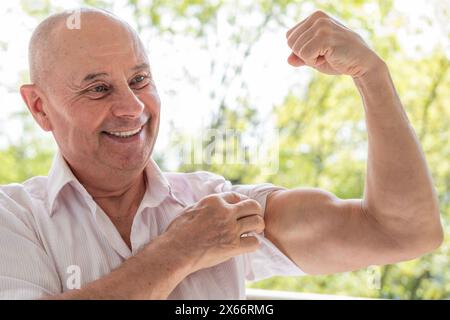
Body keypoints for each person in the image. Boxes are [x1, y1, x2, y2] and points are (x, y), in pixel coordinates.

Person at [0, 7, 443, 299]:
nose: (132, 108)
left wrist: (372, 75)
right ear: (40, 107)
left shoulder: (216, 204)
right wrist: (180, 250)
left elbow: (402, 233)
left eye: (139, 80)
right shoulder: (15, 217)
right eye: (98, 89)